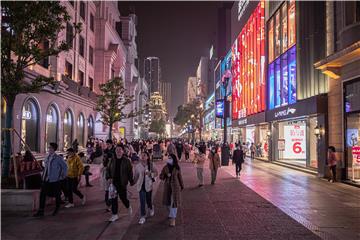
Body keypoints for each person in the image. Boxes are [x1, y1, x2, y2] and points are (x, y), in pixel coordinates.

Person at [33, 143, 67, 217]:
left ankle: (57, 209)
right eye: (49, 148)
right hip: (46, 179)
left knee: (57, 195)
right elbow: (45, 166)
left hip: (55, 180)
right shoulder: (47, 157)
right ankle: (41, 211)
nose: (49, 149)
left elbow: (65, 167)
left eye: (50, 148)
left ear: (54, 149)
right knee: (42, 194)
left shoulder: (58, 158)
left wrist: (61, 177)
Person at [106, 144, 134, 222]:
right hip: (113, 183)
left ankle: (128, 206)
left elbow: (130, 172)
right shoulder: (112, 159)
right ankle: (114, 215)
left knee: (123, 198)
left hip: (122, 183)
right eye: (117, 150)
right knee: (114, 199)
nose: (118, 151)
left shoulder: (127, 161)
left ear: (123, 151)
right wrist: (108, 177)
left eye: (120, 150)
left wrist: (131, 180)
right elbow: (108, 169)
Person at [160, 154, 184, 227]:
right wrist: (165, 175)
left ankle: (173, 219)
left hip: (175, 186)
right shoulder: (165, 167)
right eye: (168, 158)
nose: (169, 159)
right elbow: (161, 176)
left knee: (174, 202)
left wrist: (182, 185)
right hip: (167, 186)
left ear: (174, 159)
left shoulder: (177, 168)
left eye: (170, 158)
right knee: (167, 203)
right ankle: (171, 213)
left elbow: (180, 177)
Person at [134, 152, 158, 224]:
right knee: (142, 201)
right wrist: (133, 182)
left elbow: (156, 173)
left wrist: (151, 174)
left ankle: (151, 207)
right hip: (141, 186)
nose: (143, 157)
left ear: (148, 157)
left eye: (144, 155)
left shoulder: (151, 165)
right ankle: (142, 216)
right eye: (142, 155)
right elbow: (136, 176)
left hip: (148, 185)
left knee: (148, 200)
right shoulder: (138, 166)